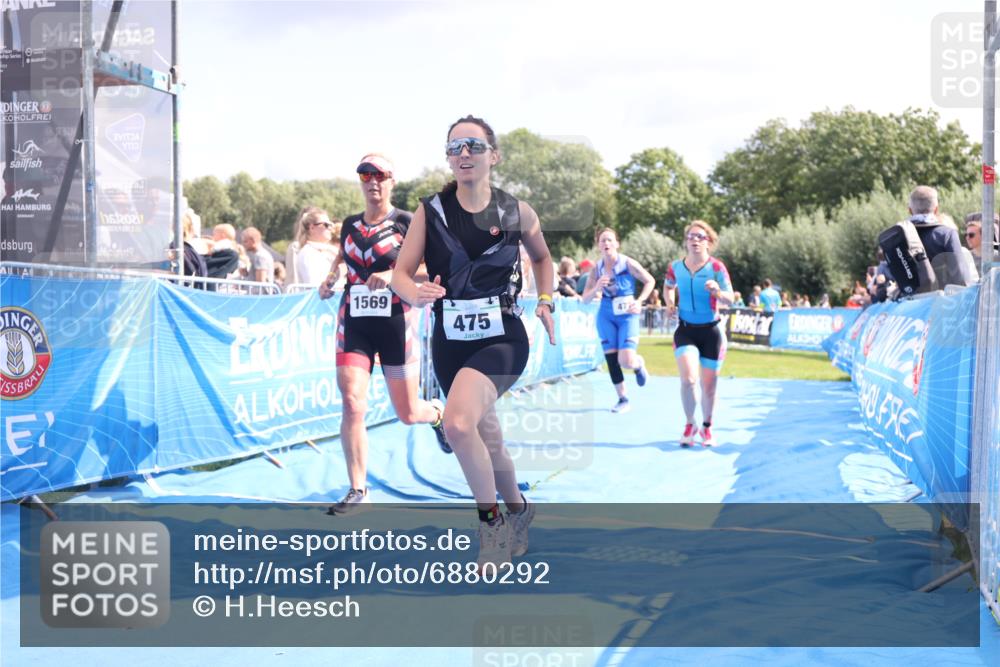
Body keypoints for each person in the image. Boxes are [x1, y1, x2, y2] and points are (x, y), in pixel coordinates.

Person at [391, 115, 556, 569]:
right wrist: (414, 293)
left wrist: (545, 301)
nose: (463, 154)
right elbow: (401, 274)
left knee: (459, 425)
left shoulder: (517, 212)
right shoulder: (432, 211)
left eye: (474, 146)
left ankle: (492, 525)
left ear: (493, 156)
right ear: (448, 157)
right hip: (449, 338)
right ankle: (520, 510)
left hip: (502, 337)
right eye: (455, 147)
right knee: (489, 437)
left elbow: (543, 259)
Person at [318, 154, 449, 514]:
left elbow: (433, 266)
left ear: (392, 182)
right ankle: (358, 489)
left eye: (381, 175)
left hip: (396, 321)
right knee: (351, 401)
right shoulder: (349, 224)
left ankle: (437, 414)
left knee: (408, 412)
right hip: (354, 321)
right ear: (360, 182)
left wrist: (395, 276)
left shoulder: (407, 222)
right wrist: (329, 280)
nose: (373, 181)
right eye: (365, 175)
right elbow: (342, 257)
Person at [663, 220, 734, 447]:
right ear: (686, 241)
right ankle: (689, 422)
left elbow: (730, 298)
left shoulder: (716, 268)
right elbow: (668, 286)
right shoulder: (676, 267)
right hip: (685, 330)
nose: (695, 240)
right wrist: (670, 303)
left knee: (709, 385)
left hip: (711, 332)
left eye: (700, 237)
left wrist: (718, 291)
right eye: (691, 236)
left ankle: (706, 426)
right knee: (689, 379)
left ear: (708, 242)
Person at [581, 227, 654, 414]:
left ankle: (637, 364)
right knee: (612, 360)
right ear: (598, 245)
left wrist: (640, 301)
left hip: (627, 314)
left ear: (617, 244)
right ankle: (623, 398)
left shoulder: (627, 263)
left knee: (626, 360)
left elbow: (650, 281)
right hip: (606, 314)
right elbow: (585, 299)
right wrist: (597, 287)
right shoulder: (596, 270)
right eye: (602, 240)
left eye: (609, 240)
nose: (606, 243)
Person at [883, 186, 977, 289]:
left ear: (910, 210)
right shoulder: (947, 234)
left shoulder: (897, 237)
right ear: (936, 209)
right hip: (942, 301)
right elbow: (960, 276)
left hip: (910, 301)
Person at [294, 206, 339, 286]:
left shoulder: (326, 251)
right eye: (326, 225)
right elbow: (315, 286)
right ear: (312, 228)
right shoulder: (308, 253)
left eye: (330, 224)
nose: (330, 228)